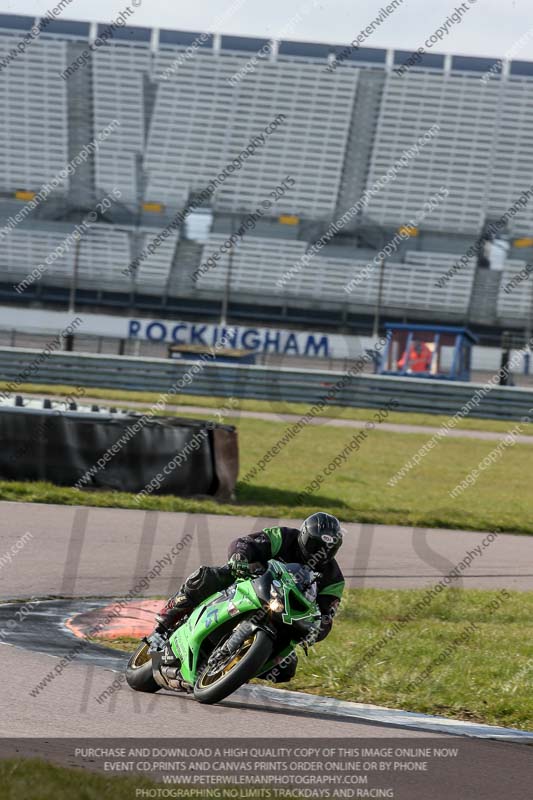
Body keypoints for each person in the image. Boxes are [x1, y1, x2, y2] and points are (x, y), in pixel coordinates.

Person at [149, 512, 345, 682]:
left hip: (286, 615)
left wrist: (317, 630)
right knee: (209, 577)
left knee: (286, 668)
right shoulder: (284, 536)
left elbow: (327, 615)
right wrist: (239, 557)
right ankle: (162, 627)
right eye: (314, 544)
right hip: (252, 583)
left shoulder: (334, 578)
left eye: (328, 548)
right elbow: (246, 543)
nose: (320, 552)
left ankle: (236, 670)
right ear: (303, 536)